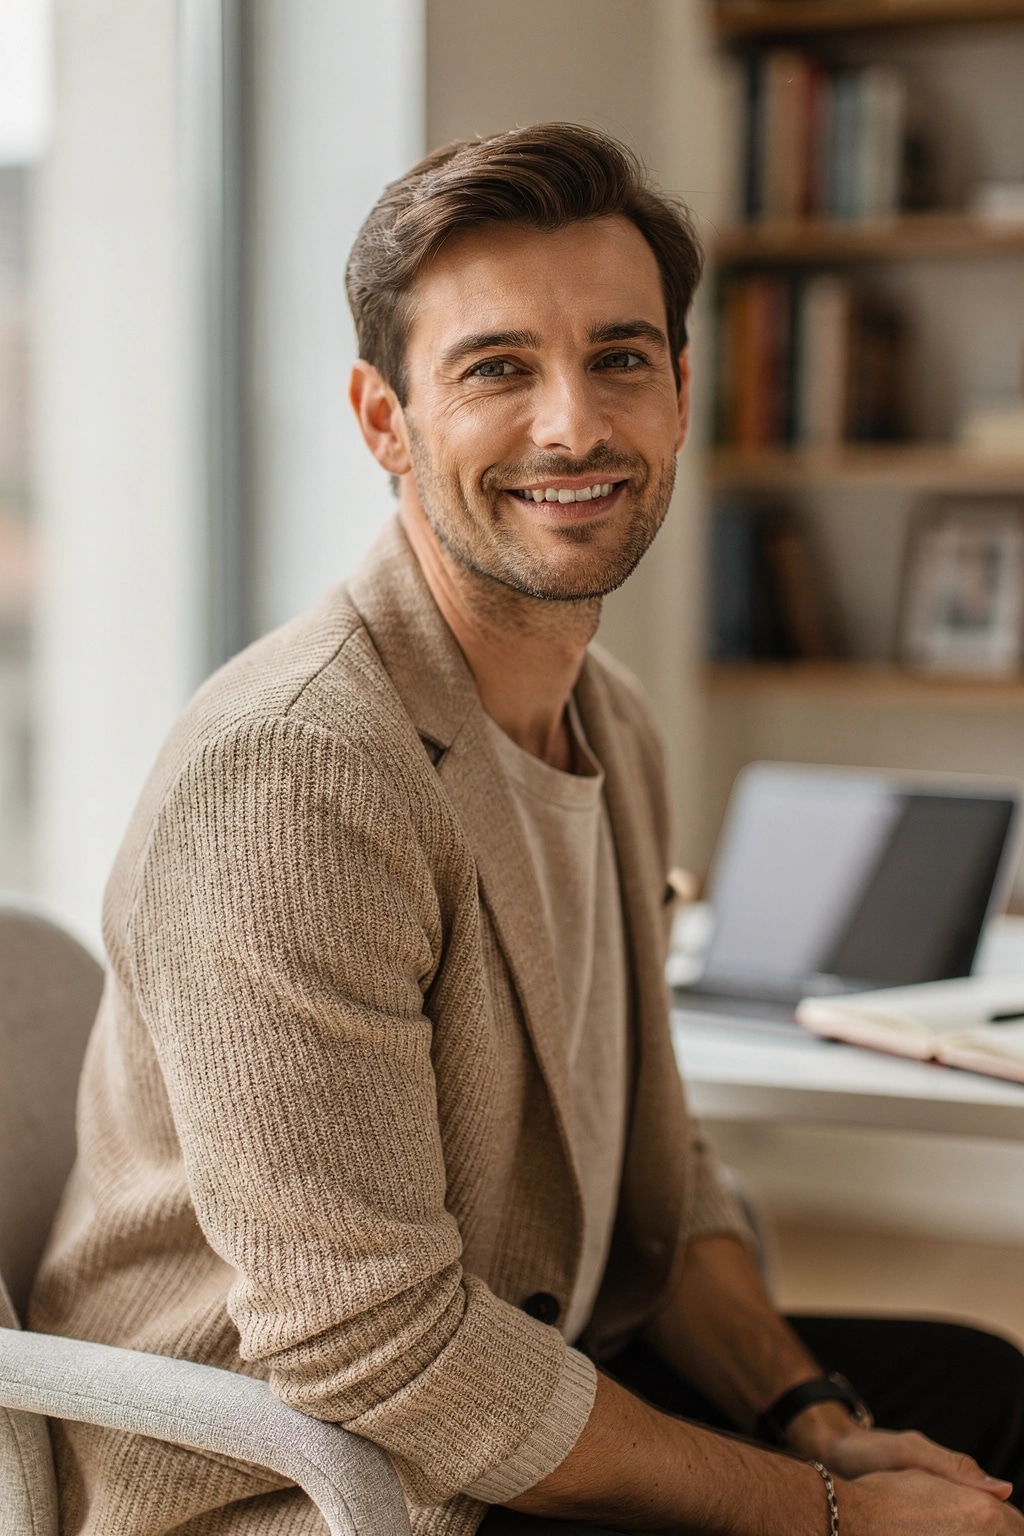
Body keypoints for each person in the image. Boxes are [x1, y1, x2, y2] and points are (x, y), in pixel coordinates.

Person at [31, 123, 1024, 1536]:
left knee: (974, 1392)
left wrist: (816, 1423)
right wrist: (824, 1511)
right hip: (297, 1476)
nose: (573, 424)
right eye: (498, 369)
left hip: (519, 1360)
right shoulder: (293, 774)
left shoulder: (608, 721)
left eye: (621, 358)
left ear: (682, 392)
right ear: (386, 421)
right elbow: (368, 1344)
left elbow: (660, 1187)